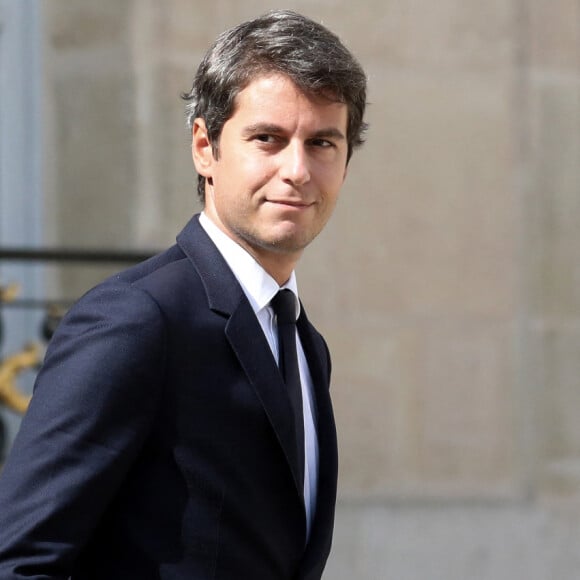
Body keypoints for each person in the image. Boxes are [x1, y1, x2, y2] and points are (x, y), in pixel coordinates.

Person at [0, 9, 367, 579]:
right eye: (267, 138)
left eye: (322, 142)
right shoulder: (136, 319)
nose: (297, 169)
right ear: (204, 145)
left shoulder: (303, 342)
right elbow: (19, 558)